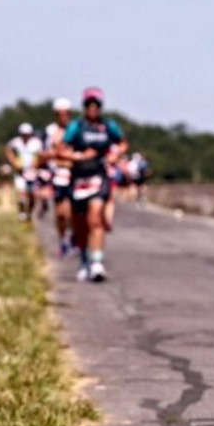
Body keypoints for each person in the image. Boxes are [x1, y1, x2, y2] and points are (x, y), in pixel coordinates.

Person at [58, 87, 127, 282]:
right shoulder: (76, 127)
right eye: (89, 104)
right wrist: (78, 156)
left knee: (96, 218)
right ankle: (84, 259)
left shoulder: (108, 126)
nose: (93, 108)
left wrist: (115, 154)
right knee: (80, 225)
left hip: (99, 176)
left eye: (96, 105)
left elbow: (122, 143)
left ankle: (97, 262)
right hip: (79, 178)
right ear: (84, 106)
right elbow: (60, 150)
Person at [43, 98, 75, 255]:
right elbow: (43, 153)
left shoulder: (76, 129)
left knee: (71, 213)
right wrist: (55, 154)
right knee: (60, 214)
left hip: (73, 175)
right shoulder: (50, 131)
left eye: (67, 113)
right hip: (57, 175)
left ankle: (74, 237)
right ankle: (62, 239)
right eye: (61, 114)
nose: (64, 116)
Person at [5, 122, 43, 221]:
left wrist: (37, 165)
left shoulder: (36, 143)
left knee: (32, 195)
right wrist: (13, 162)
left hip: (32, 172)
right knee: (21, 193)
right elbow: (8, 149)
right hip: (20, 172)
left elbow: (41, 155)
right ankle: (21, 212)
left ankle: (29, 213)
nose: (25, 136)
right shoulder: (16, 142)